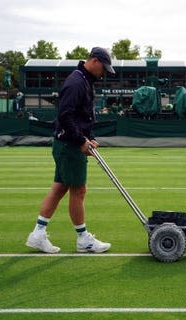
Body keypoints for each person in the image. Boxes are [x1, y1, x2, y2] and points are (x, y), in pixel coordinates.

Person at [26, 47, 116, 254]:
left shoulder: (83, 80)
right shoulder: (76, 83)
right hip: (69, 145)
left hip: (66, 143)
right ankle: (83, 239)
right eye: (103, 68)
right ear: (94, 61)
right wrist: (81, 140)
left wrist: (89, 137)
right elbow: (65, 116)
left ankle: (38, 234)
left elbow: (82, 116)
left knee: (59, 189)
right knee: (79, 190)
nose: (103, 74)